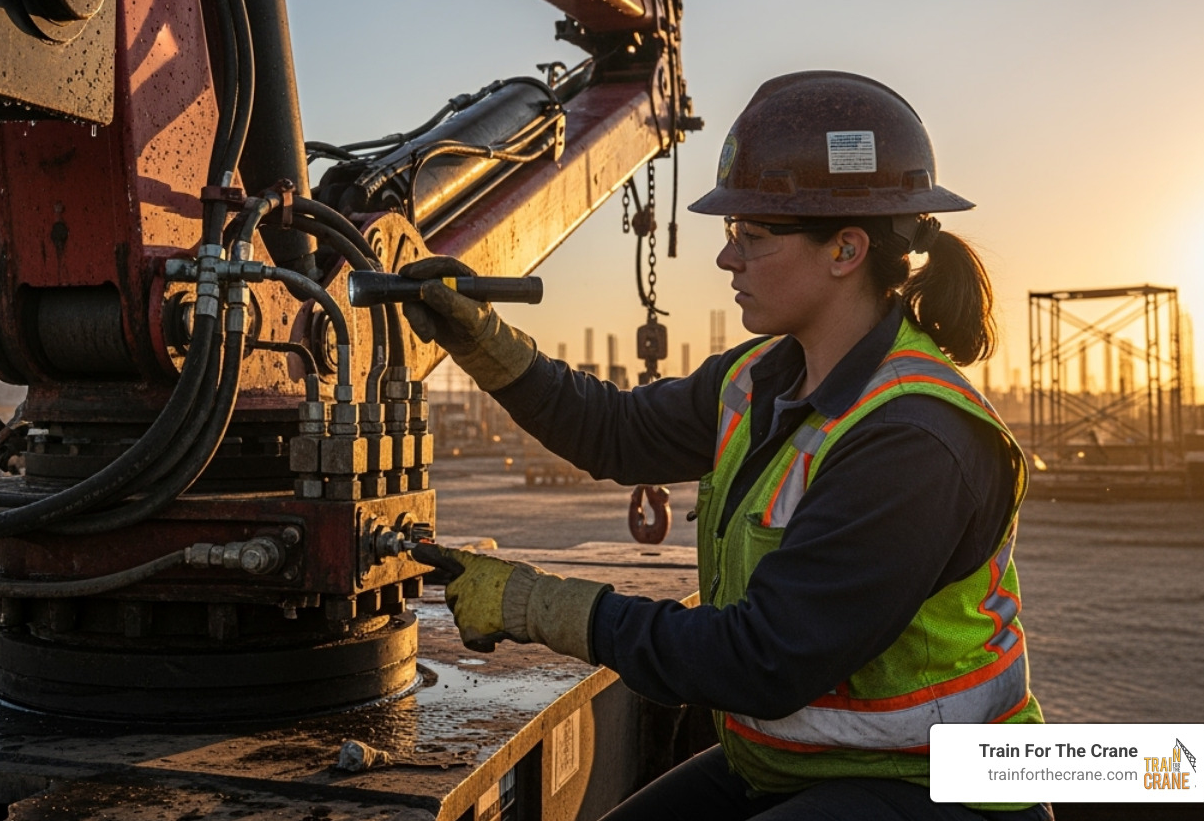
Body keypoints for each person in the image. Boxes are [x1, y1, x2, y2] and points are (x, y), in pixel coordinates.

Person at [401, 71, 1050, 821]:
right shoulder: (759, 378)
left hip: (939, 790)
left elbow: (761, 659)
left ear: (846, 248)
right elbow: (616, 433)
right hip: (801, 766)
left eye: (753, 236)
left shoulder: (913, 440)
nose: (727, 259)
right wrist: (483, 343)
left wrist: (537, 606)